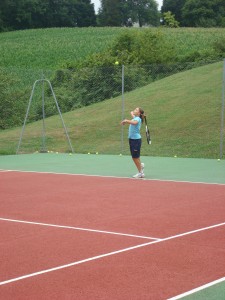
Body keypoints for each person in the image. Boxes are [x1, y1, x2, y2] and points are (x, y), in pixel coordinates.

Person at [121, 107, 145, 178]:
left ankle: (140, 173)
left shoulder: (137, 119)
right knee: (135, 156)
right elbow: (134, 118)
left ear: (139, 113)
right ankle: (140, 166)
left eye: (136, 110)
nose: (134, 110)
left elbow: (134, 122)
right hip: (132, 139)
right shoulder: (136, 117)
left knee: (135, 157)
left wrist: (126, 120)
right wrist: (132, 114)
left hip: (136, 140)